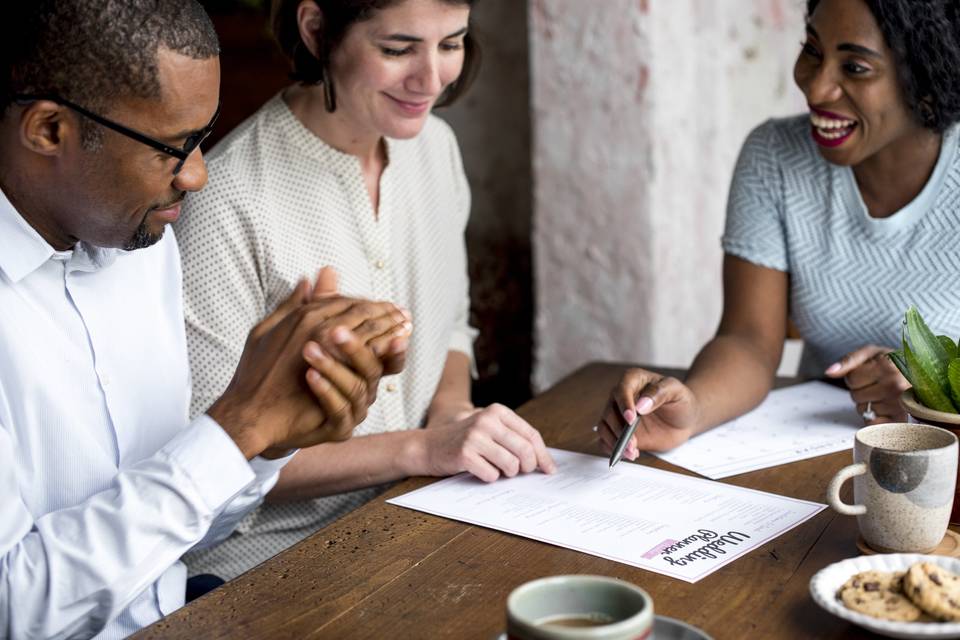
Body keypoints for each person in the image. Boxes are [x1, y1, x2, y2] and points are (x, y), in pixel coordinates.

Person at [0, 1, 411, 637]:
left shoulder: (142, 249)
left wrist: (268, 439)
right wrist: (234, 427)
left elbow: (170, 537)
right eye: (173, 148)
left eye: (204, 136)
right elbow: (13, 609)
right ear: (49, 130)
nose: (198, 175)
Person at [175, 0, 556, 580]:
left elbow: (450, 322)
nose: (430, 79)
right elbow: (215, 455)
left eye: (451, 43)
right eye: (398, 49)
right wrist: (422, 449)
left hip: (422, 515)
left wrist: (452, 414)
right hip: (270, 565)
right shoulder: (228, 200)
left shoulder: (436, 149)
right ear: (316, 30)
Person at [597, 0, 960, 458]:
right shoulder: (774, 158)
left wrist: (927, 393)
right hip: (816, 453)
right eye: (811, 49)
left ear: (928, 79)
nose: (816, 86)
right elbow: (748, 339)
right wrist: (693, 407)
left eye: (854, 67)